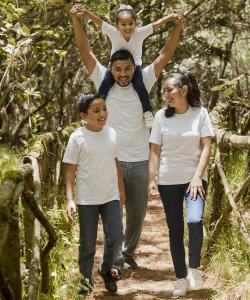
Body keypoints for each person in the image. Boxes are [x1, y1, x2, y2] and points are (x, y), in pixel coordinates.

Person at [70, 4, 184, 271]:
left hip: (140, 159)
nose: (123, 74)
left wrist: (177, 25)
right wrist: (77, 20)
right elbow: (84, 50)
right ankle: (115, 259)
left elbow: (166, 54)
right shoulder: (102, 77)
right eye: (118, 69)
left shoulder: (144, 78)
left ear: (135, 68)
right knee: (113, 214)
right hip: (111, 159)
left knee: (136, 214)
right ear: (111, 68)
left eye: (127, 69)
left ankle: (127, 251)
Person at [148, 72, 214, 297]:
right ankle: (180, 279)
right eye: (164, 91)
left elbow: (207, 146)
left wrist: (197, 176)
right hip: (168, 180)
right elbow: (155, 150)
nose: (165, 94)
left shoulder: (200, 113)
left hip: (194, 178)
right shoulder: (160, 116)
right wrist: (152, 180)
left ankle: (194, 268)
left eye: (170, 90)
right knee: (175, 230)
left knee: (195, 220)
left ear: (184, 90)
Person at [75, 3, 182, 128]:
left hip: (135, 67)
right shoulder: (114, 32)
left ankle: (147, 112)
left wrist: (172, 18)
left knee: (140, 87)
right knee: (104, 86)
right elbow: (99, 22)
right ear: (117, 26)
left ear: (136, 24)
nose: (127, 27)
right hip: (112, 67)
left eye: (131, 24)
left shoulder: (140, 33)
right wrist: (85, 13)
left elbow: (157, 24)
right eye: (123, 24)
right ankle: (98, 108)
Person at [63, 93, 125, 295]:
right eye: (96, 110)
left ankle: (106, 269)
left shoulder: (112, 133)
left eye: (104, 109)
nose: (102, 114)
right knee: (87, 245)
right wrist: (70, 199)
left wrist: (121, 191)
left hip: (110, 196)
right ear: (84, 115)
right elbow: (70, 171)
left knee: (116, 236)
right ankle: (84, 282)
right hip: (87, 198)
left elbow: (116, 165)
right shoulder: (77, 137)